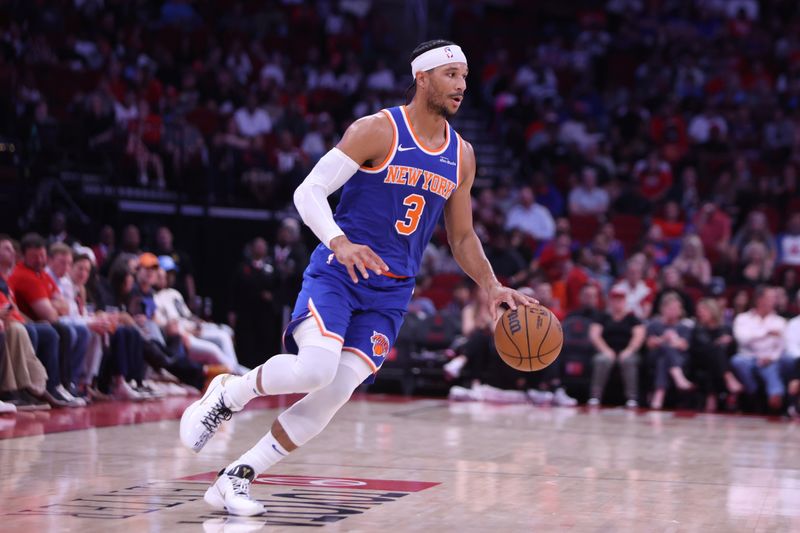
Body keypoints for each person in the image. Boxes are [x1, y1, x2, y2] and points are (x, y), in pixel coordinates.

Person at [180, 40, 536, 516]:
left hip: (392, 291)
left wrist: (492, 286)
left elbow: (464, 237)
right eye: (451, 74)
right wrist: (338, 242)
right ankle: (230, 391)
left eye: (466, 77)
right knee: (315, 368)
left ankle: (236, 476)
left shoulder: (461, 155)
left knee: (335, 392)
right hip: (340, 274)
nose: (461, 85)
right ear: (423, 77)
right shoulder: (378, 130)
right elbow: (309, 192)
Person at [731, 286, 791, 411]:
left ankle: (775, 396)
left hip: (769, 359)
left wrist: (771, 358)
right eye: (771, 297)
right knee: (737, 361)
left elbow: (782, 346)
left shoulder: (780, 321)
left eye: (775, 298)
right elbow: (743, 339)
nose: (774, 301)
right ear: (759, 299)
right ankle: (755, 393)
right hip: (748, 357)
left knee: (773, 366)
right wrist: (765, 333)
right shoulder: (743, 318)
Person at [588, 286, 645, 407]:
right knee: (601, 360)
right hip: (606, 351)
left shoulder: (632, 319)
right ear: (610, 301)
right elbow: (594, 335)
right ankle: (595, 396)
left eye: (620, 300)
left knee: (628, 361)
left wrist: (629, 350)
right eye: (615, 300)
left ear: (625, 301)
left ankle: (632, 398)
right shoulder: (603, 317)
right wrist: (606, 350)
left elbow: (639, 336)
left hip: (627, 351)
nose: (617, 303)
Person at [689, 298, 742, 412]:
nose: (700, 313)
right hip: (699, 362)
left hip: (721, 364)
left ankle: (712, 397)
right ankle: (728, 379)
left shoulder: (726, 328)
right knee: (715, 351)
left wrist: (729, 342)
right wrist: (718, 343)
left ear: (712, 311)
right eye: (699, 311)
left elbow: (734, 349)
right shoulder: (698, 329)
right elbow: (700, 349)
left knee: (721, 355)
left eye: (703, 310)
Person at [645, 292, 694, 410]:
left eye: (677, 308)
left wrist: (674, 339)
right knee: (665, 348)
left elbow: (684, 346)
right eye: (670, 308)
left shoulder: (684, 326)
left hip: (678, 358)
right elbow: (650, 344)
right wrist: (664, 339)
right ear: (663, 309)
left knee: (664, 359)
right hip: (654, 356)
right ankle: (678, 377)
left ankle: (659, 393)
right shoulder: (654, 324)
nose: (674, 311)